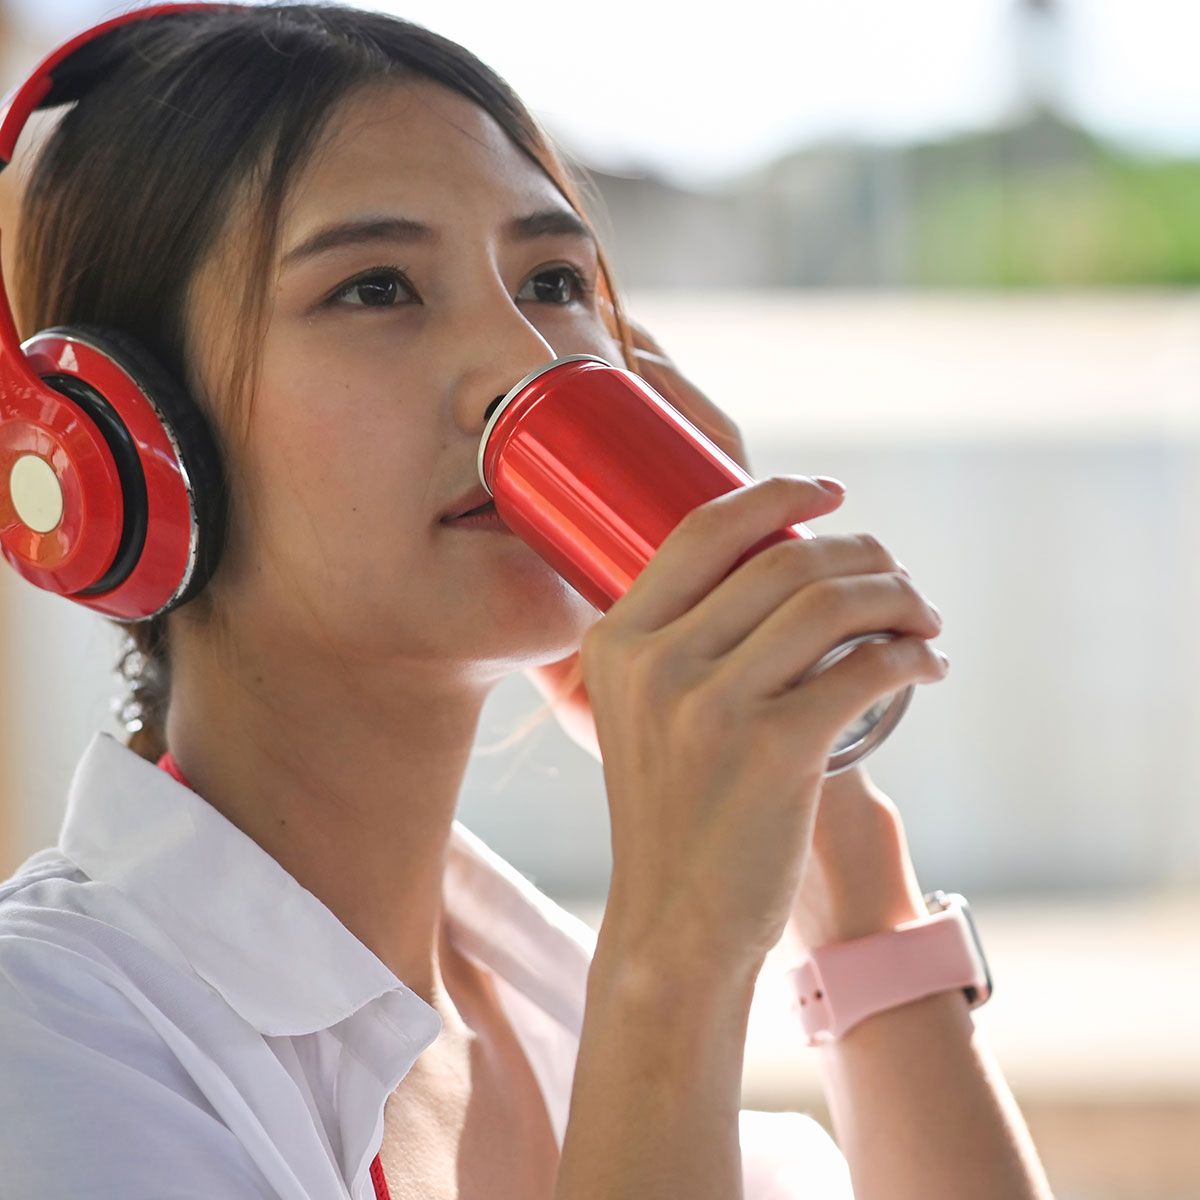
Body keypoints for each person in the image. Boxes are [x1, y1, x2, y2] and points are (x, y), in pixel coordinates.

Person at [0, 4, 1055, 1198]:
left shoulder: (553, 1008)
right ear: (127, 442)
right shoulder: (49, 1037)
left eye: (553, 280)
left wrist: (842, 864)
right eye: (375, 289)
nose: (528, 368)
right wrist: (675, 966)